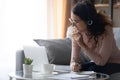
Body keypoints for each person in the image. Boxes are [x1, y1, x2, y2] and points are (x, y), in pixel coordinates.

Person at [69, 0, 120, 75]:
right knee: (80, 69)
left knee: (92, 70)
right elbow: (74, 60)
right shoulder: (76, 32)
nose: (73, 25)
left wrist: (83, 45)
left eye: (76, 21)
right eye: (71, 20)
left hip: (115, 62)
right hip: (96, 63)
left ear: (88, 21)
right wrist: (74, 65)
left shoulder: (106, 29)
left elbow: (101, 62)